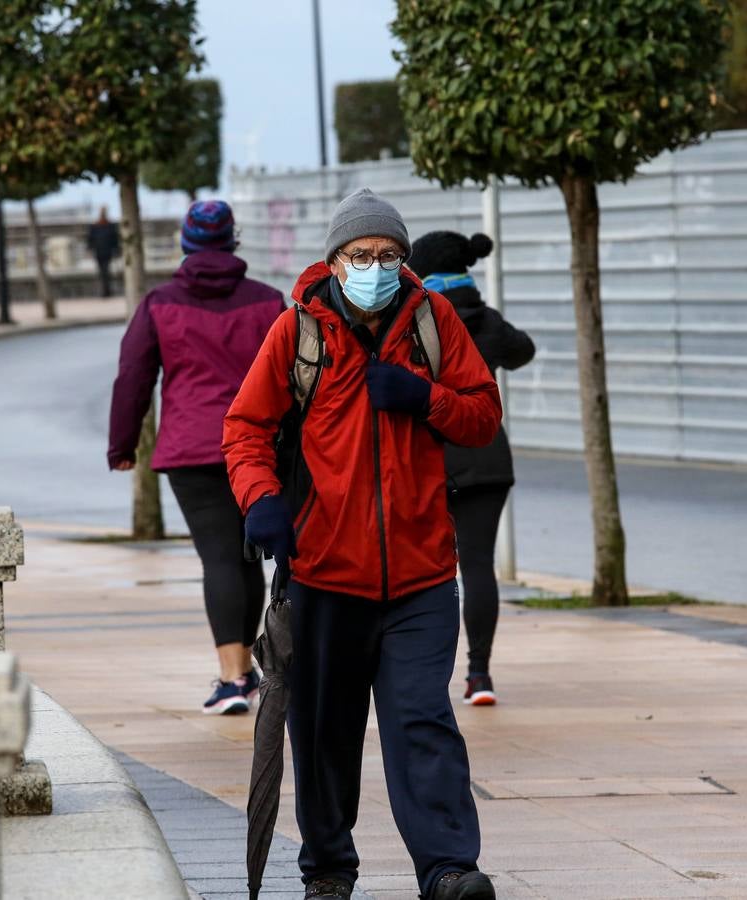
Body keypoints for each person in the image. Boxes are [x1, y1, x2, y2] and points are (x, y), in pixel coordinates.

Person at [224, 189, 501, 900]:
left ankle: (447, 869)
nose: (374, 267)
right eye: (360, 256)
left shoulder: (434, 322)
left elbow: (480, 418)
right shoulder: (299, 334)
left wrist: (423, 396)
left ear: (403, 261)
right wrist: (262, 502)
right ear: (335, 260)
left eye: (387, 256)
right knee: (323, 734)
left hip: (421, 575)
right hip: (324, 575)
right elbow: (245, 429)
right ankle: (327, 871)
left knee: (423, 722)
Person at [108, 200, 284, 714]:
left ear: (186, 243)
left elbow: (133, 378)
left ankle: (233, 679)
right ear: (233, 241)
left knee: (220, 557)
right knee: (246, 557)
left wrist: (122, 447)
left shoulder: (159, 303)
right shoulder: (268, 302)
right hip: (257, 446)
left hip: (192, 450)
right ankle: (248, 668)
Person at [408, 231, 535, 708]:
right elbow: (524, 351)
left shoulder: (417, 322)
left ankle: (423, 670)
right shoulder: (487, 321)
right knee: (478, 565)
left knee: (426, 571)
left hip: (429, 459)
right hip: (486, 457)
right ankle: (479, 674)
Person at [86, 206, 120, 298]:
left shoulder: (110, 226)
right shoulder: (95, 226)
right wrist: (89, 249)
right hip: (99, 252)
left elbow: (115, 240)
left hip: (107, 252)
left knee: (105, 272)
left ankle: (107, 291)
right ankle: (105, 291)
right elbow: (90, 239)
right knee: (103, 272)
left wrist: (117, 251)